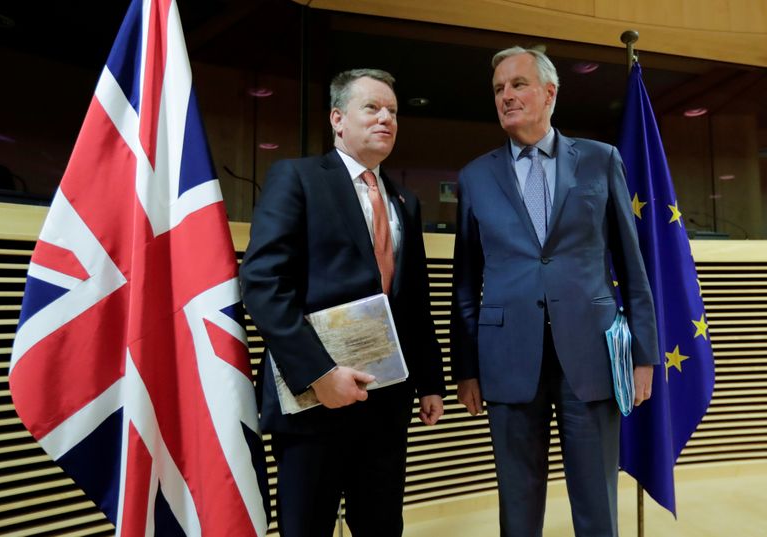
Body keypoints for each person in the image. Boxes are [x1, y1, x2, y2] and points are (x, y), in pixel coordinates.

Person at [451, 46, 659, 537]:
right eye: (499, 89)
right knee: (518, 507)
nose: (506, 96)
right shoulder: (475, 176)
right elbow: (464, 282)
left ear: (549, 93)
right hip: (506, 357)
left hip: (591, 353)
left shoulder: (599, 159)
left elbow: (632, 264)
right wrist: (466, 368)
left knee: (596, 502)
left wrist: (645, 353)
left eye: (518, 85)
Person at [240, 68, 445, 537]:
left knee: (380, 526)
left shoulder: (404, 201)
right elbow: (262, 282)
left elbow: (414, 302)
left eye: (392, 111)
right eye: (372, 108)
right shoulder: (297, 177)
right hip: (315, 399)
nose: (386, 119)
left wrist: (431, 381)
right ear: (337, 118)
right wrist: (319, 374)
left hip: (387, 400)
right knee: (307, 526)